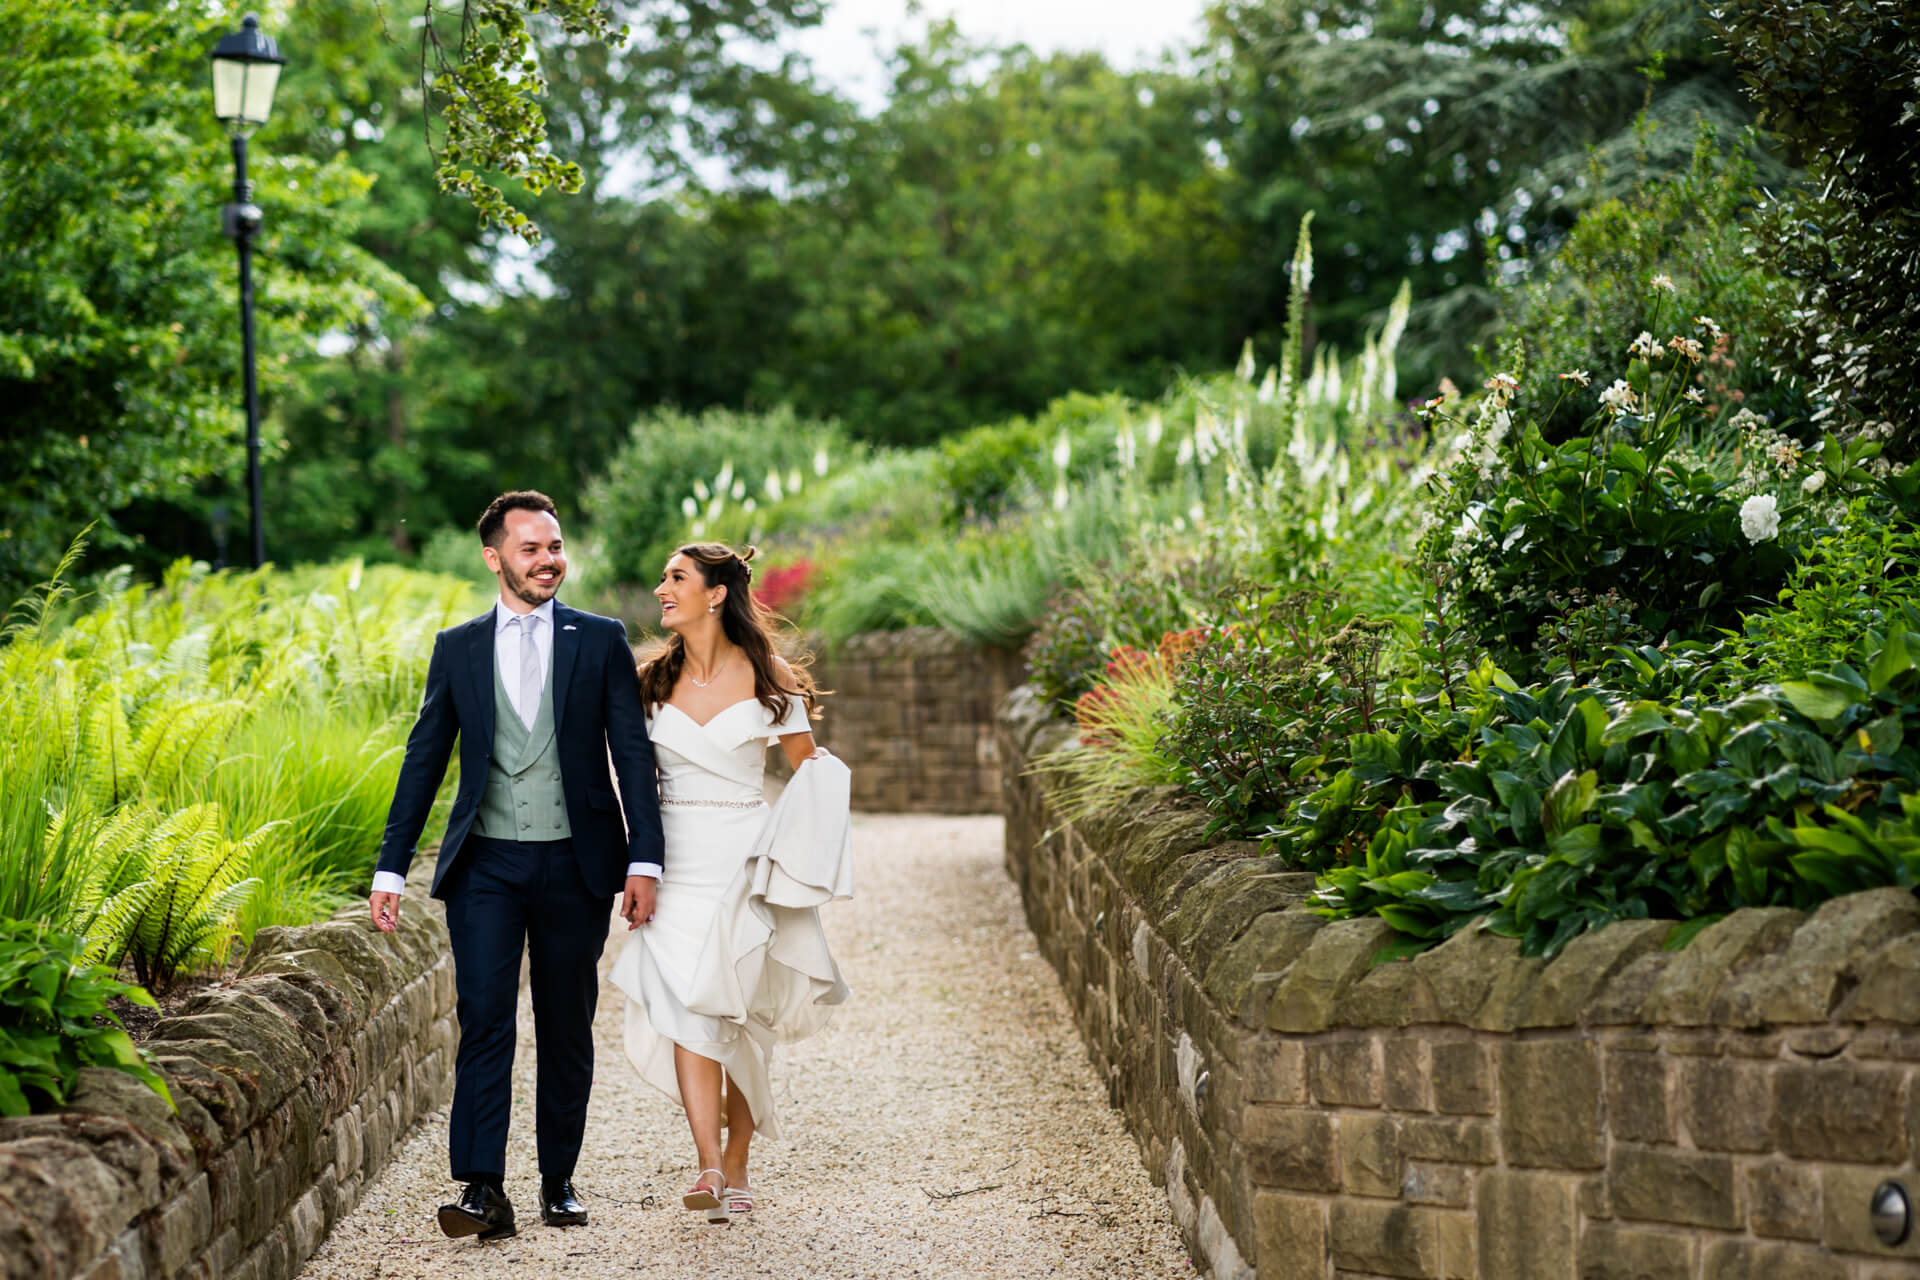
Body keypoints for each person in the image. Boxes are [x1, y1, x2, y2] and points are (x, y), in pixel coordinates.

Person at [367, 490, 665, 1242]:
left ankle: (558, 1181)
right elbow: (424, 758)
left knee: (566, 1025)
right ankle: (480, 1190)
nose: (549, 560)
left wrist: (645, 858)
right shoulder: (459, 646)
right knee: (485, 1020)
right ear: (495, 557)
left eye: (555, 546)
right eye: (531, 548)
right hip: (487, 868)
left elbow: (633, 754)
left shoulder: (599, 640)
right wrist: (390, 867)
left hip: (577, 863)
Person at [609, 542, 852, 1226]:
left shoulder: (770, 677)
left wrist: (803, 859)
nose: (662, 588)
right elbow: (629, 780)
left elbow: (808, 774)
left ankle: (739, 1159)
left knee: (738, 1014)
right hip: (674, 864)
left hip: (744, 862)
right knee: (687, 1007)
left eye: (676, 578)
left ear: (715, 594)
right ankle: (707, 1163)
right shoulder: (650, 680)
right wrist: (633, 863)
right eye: (663, 577)